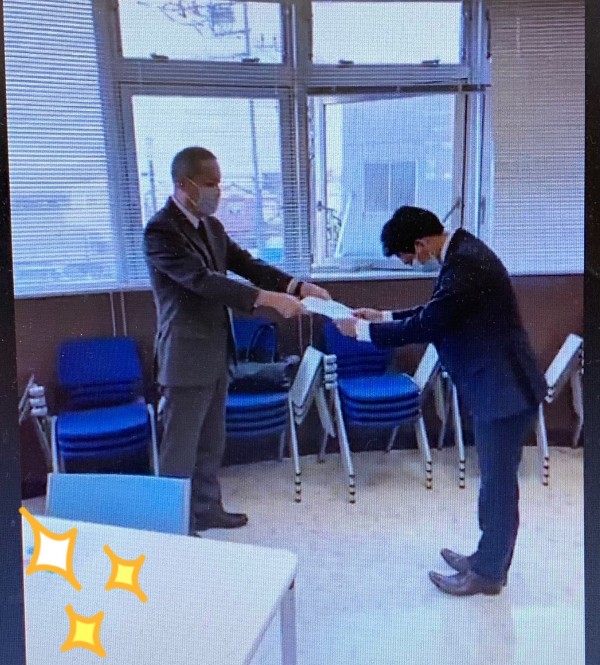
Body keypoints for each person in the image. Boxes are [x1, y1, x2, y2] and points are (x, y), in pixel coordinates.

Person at [335, 205, 546, 596]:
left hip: (505, 391)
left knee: (498, 486)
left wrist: (362, 332)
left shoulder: (466, 264)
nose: (415, 263)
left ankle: (489, 574)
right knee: (493, 483)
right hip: (496, 387)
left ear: (420, 243)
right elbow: (437, 312)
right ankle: (485, 557)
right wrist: (382, 316)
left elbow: (429, 324)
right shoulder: (462, 254)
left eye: (410, 257)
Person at [144, 146, 330, 534]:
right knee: (180, 449)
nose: (217, 191)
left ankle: (207, 508)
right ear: (183, 184)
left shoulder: (211, 228)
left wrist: (296, 286)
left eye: (219, 183)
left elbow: (246, 264)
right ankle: (172, 525)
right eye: (209, 183)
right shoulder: (161, 231)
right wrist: (268, 300)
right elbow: (202, 281)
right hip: (185, 356)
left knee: (211, 442)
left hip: (217, 353)